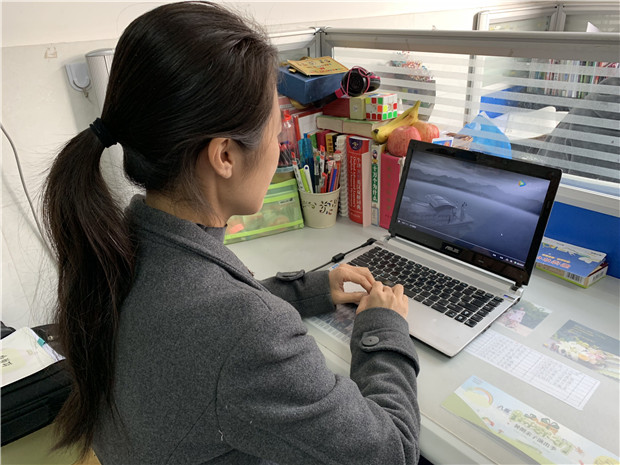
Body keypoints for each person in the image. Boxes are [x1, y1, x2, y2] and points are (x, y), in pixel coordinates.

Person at [42, 2, 421, 464]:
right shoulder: (245, 331)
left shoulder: (120, 249)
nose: (280, 146)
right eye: (275, 129)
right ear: (224, 155)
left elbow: (205, 326)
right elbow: (393, 451)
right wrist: (382, 326)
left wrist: (309, 290)